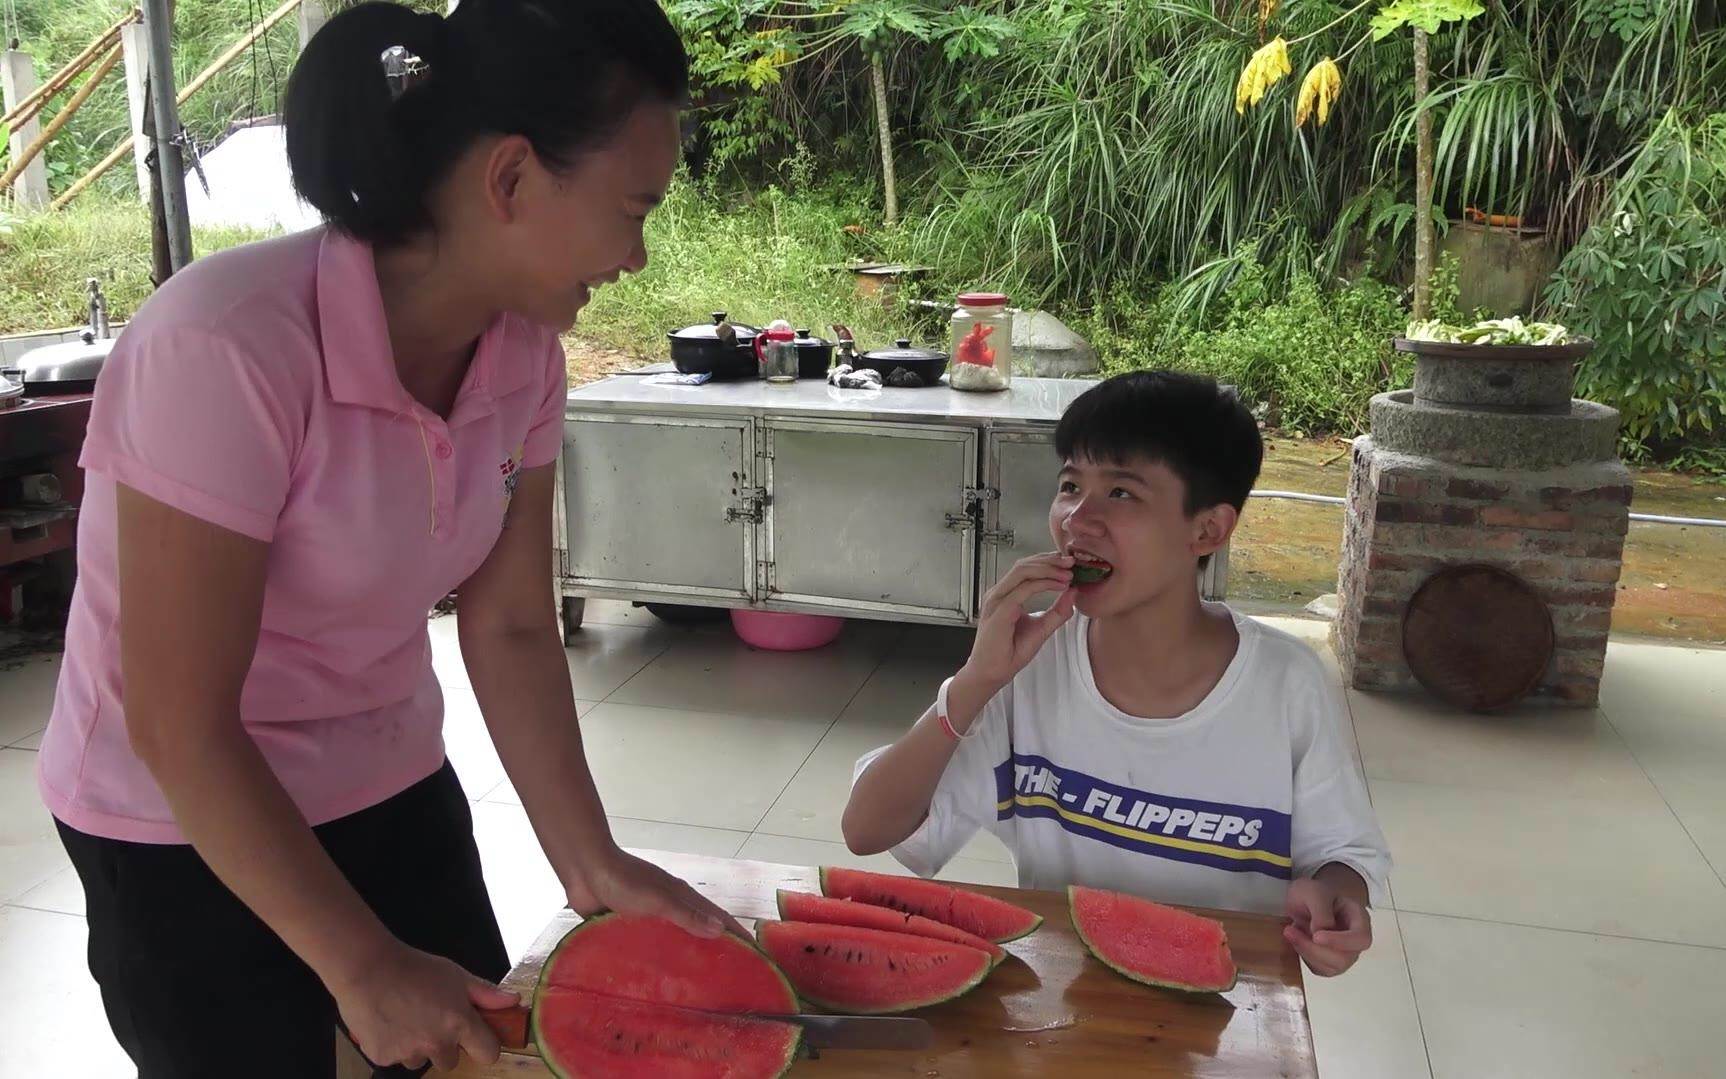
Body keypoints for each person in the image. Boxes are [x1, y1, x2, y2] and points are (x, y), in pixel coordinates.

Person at [35, 2, 733, 1075]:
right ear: (508, 179)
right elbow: (178, 723)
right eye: (631, 209)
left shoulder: (523, 355)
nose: (636, 256)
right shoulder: (224, 347)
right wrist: (358, 963)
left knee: (467, 1051)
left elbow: (505, 627)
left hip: (385, 772)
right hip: (181, 820)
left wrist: (588, 859)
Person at [843, 370, 1390, 977]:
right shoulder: (1028, 670)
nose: (1078, 518)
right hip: (1065, 1001)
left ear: (1207, 529)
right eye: (1071, 484)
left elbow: (1341, 859)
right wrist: (975, 682)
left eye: (1122, 494)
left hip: (1233, 1004)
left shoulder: (1287, 685)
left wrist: (1336, 905)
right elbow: (866, 830)